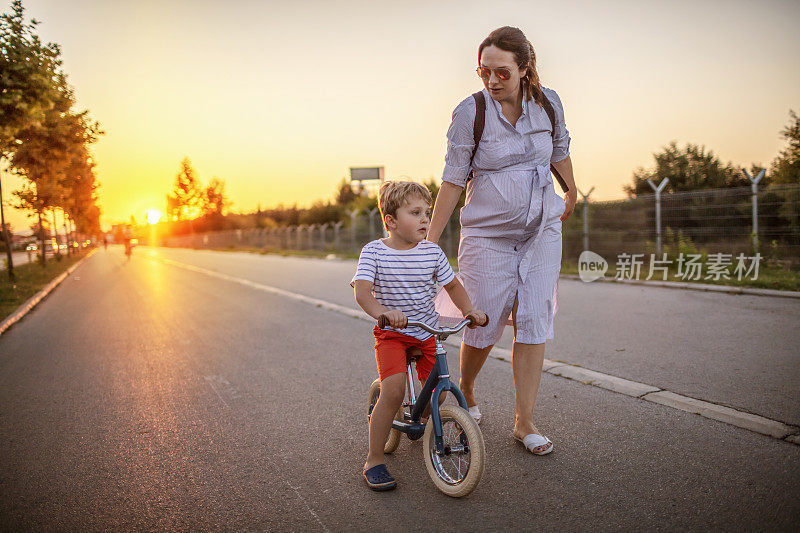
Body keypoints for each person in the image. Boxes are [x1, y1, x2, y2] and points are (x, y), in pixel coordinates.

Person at [427, 26, 577, 456]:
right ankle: (468, 389)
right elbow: (453, 180)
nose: (492, 81)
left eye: (502, 73)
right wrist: (430, 243)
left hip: (541, 232)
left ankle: (524, 422)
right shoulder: (470, 112)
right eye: (484, 71)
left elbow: (560, 148)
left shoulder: (548, 103)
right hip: (487, 235)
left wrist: (570, 189)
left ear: (524, 69)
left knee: (533, 319)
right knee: (483, 318)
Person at [352, 180, 487, 491]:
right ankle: (374, 459)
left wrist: (470, 311)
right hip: (393, 335)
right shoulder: (374, 252)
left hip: (427, 333)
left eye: (427, 212)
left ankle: (426, 421)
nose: (426, 219)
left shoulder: (431, 252)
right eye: (416, 212)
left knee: (438, 397)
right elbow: (362, 292)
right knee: (393, 391)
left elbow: (453, 286)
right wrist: (383, 313)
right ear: (391, 220)